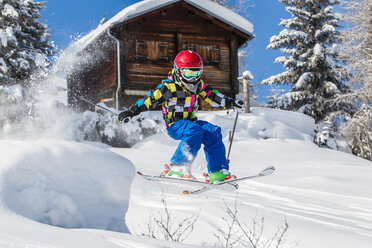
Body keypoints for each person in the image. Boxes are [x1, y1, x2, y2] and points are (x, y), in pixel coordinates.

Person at [118, 50, 243, 183]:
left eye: (196, 73)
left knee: (212, 131)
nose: (193, 78)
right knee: (194, 129)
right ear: (178, 71)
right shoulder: (169, 87)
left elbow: (213, 96)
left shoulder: (199, 86)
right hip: (175, 125)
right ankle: (177, 166)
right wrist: (131, 112)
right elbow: (149, 100)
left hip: (191, 123)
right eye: (189, 73)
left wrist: (231, 103)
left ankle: (217, 172)